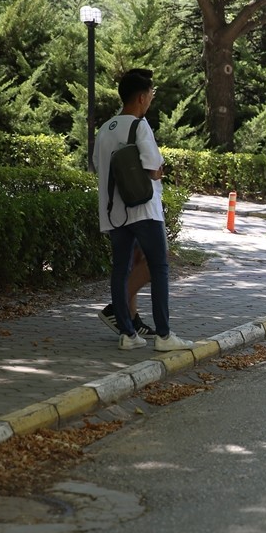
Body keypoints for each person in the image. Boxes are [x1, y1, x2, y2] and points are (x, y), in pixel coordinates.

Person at [95, 68, 192, 351]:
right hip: (144, 210)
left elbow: (98, 166)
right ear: (140, 97)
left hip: (114, 212)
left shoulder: (105, 129)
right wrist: (156, 173)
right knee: (159, 267)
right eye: (150, 93)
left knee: (120, 270)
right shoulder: (140, 126)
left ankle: (127, 334)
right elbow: (154, 168)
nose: (151, 98)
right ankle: (164, 336)